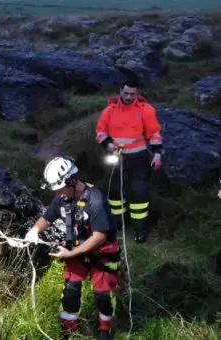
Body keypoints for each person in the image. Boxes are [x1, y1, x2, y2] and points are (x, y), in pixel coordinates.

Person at [25, 156, 120, 340]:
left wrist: (71, 253)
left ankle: (104, 330)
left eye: (60, 189)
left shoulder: (96, 200)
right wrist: (35, 230)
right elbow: (47, 217)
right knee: (70, 293)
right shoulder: (62, 199)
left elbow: (99, 237)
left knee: (103, 296)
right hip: (77, 253)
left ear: (72, 181)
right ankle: (69, 331)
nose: (58, 194)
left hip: (102, 254)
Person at [94, 78, 163, 243]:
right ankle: (118, 225)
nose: (129, 96)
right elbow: (100, 132)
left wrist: (157, 154)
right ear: (120, 91)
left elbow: (154, 133)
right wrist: (108, 145)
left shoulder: (146, 110)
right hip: (116, 156)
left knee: (139, 194)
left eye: (132, 94)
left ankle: (140, 230)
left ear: (137, 93)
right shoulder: (109, 111)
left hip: (139, 157)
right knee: (115, 193)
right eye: (126, 93)